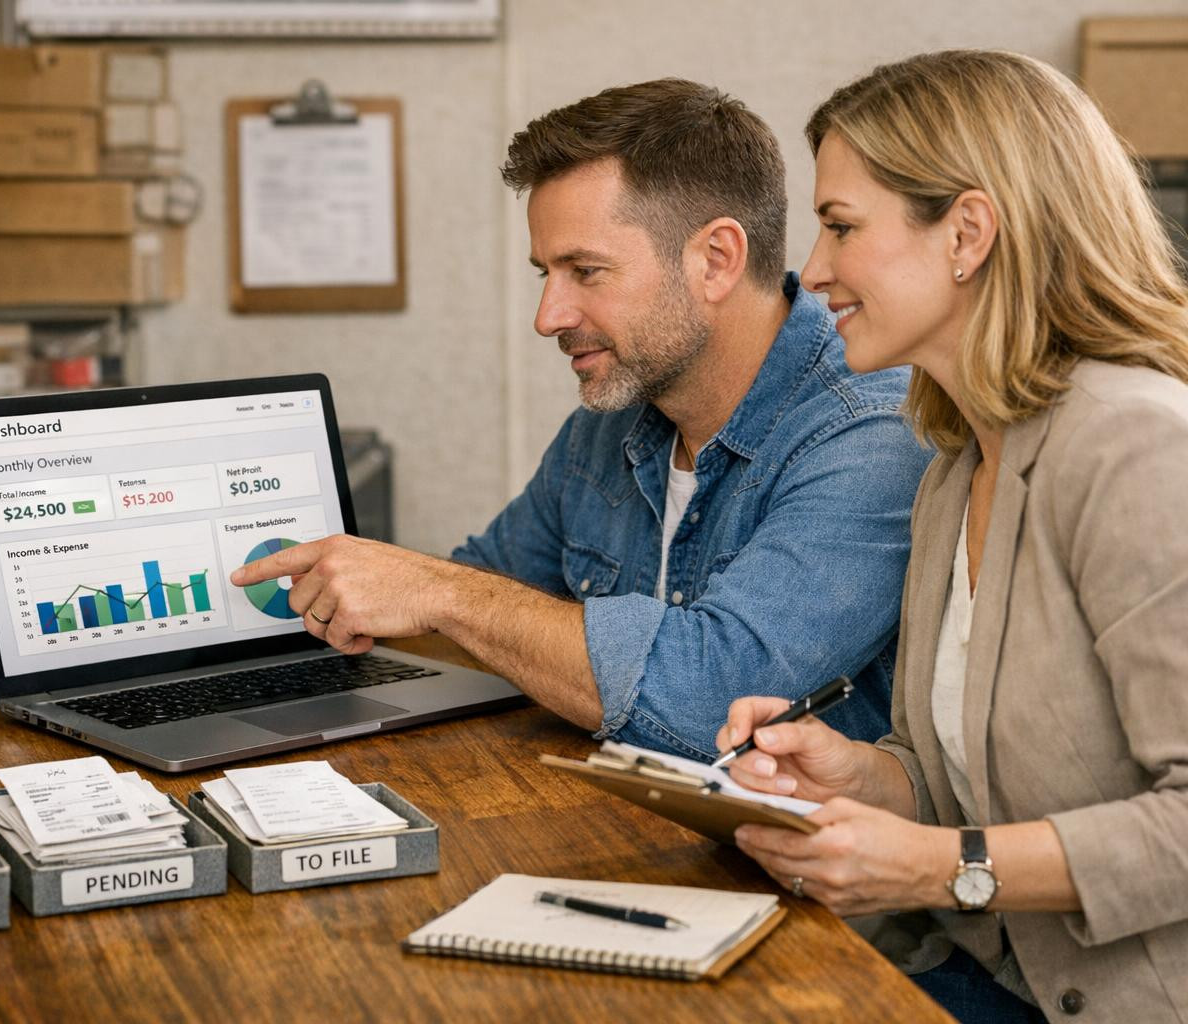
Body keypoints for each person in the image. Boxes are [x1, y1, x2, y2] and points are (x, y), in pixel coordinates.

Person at [232, 79, 932, 759]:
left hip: (795, 868)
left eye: (586, 272)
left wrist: (440, 592)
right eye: (546, 274)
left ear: (716, 260)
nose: (548, 318)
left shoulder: (869, 433)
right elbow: (476, 604)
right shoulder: (612, 422)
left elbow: (711, 697)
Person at [719, 50, 1188, 1024]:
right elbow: (958, 782)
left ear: (968, 231)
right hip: (990, 977)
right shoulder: (952, 466)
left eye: (843, 226)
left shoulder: (1136, 444)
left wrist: (942, 866)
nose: (815, 271)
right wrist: (859, 776)